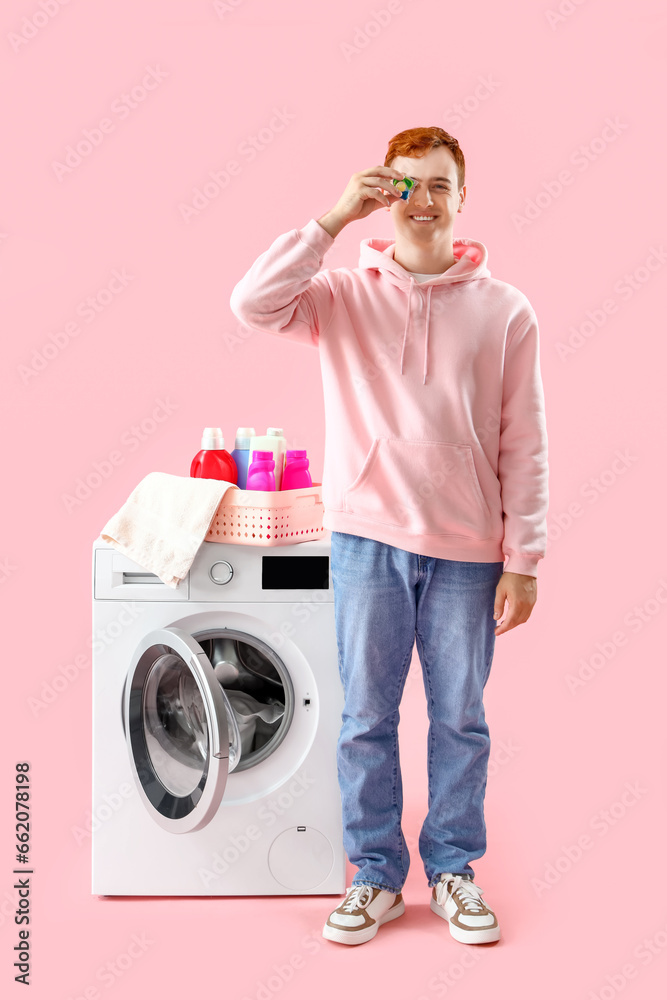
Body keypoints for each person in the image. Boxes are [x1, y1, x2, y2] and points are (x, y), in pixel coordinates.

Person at [229, 126, 548, 947]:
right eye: (405, 183)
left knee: (459, 720)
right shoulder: (340, 295)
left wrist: (525, 560)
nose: (422, 200)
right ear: (385, 191)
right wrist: (334, 217)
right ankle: (373, 876)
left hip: (470, 547)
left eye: (438, 184)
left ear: (462, 195)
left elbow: (525, 441)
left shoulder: (506, 310)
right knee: (364, 717)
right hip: (366, 537)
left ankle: (451, 872)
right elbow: (252, 303)